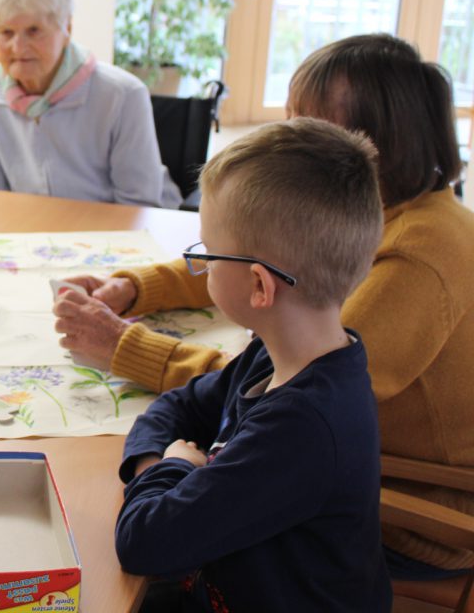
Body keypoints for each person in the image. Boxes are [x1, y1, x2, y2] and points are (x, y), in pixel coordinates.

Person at [56, 33, 474, 576]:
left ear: (362, 145)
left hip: (413, 515)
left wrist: (125, 349)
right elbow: (261, 251)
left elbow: (151, 537)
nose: (285, 136)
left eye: (304, 125)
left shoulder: (421, 258)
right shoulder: (377, 217)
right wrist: (138, 287)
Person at [115, 118, 390, 612]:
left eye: (208, 253)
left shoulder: (304, 426)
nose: (201, 264)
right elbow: (178, 405)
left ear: (260, 287)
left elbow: (142, 543)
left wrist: (173, 467)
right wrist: (161, 467)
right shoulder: (278, 353)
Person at [0, 0, 180, 208]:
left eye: (34, 31)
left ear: (67, 29)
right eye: (6, 33)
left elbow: (137, 206)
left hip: (121, 232)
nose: (18, 48)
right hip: (31, 234)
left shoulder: (123, 95)